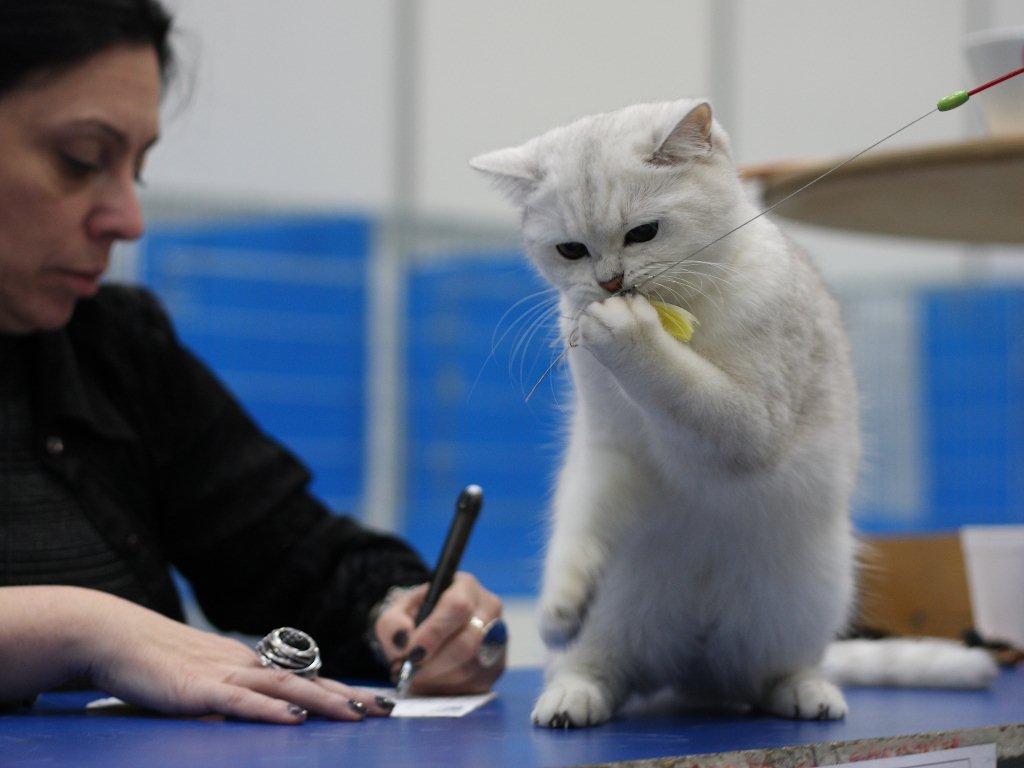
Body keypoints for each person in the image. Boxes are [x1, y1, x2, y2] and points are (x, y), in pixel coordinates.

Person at [0, 0, 505, 725]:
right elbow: (96, 629)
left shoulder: (114, 350)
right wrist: (84, 628)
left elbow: (298, 556)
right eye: (80, 159)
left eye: (137, 170)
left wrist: (408, 614)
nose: (128, 219)